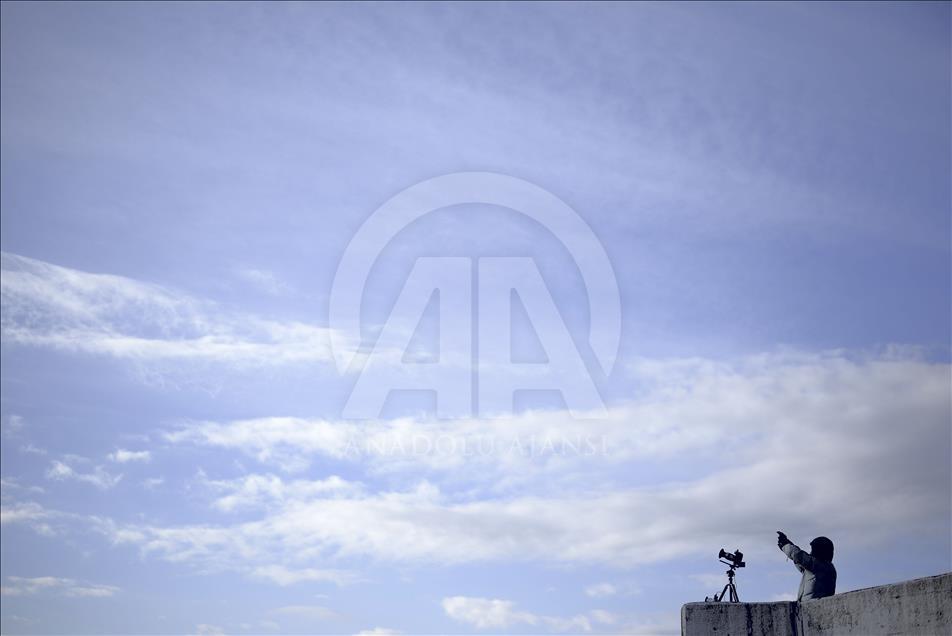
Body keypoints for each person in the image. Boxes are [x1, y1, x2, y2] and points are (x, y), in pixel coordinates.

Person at [776, 531, 836, 601]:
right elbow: (801, 563)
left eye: (813, 549)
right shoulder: (825, 568)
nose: (811, 552)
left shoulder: (819, 565)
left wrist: (785, 545)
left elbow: (799, 556)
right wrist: (789, 544)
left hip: (812, 607)